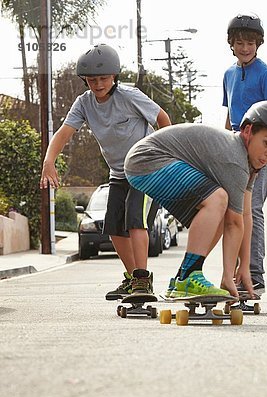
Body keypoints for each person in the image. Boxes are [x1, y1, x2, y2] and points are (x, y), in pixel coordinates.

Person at [124, 101, 267, 299]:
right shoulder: (234, 159)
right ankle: (188, 277)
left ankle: (182, 277)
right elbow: (235, 223)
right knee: (218, 199)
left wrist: (245, 267)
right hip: (146, 160)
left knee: (221, 206)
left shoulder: (250, 166)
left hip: (149, 162)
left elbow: (246, 215)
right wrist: (228, 275)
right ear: (248, 131)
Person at [40, 43, 171, 300]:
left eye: (102, 78)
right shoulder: (84, 104)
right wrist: (48, 161)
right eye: (91, 80)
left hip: (147, 169)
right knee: (113, 227)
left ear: (114, 77)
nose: (98, 84)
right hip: (119, 173)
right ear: (85, 81)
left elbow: (162, 119)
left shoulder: (130, 96)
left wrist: (169, 152)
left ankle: (143, 280)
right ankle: (134, 279)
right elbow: (64, 133)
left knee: (136, 219)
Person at [222, 13, 267, 296]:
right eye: (239, 43)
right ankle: (236, 272)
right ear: (232, 44)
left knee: (252, 209)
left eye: (250, 43)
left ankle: (255, 275)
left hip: (263, 147)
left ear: (258, 44)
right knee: (233, 210)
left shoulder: (266, 74)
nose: (245, 48)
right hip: (237, 144)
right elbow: (230, 114)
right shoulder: (228, 74)